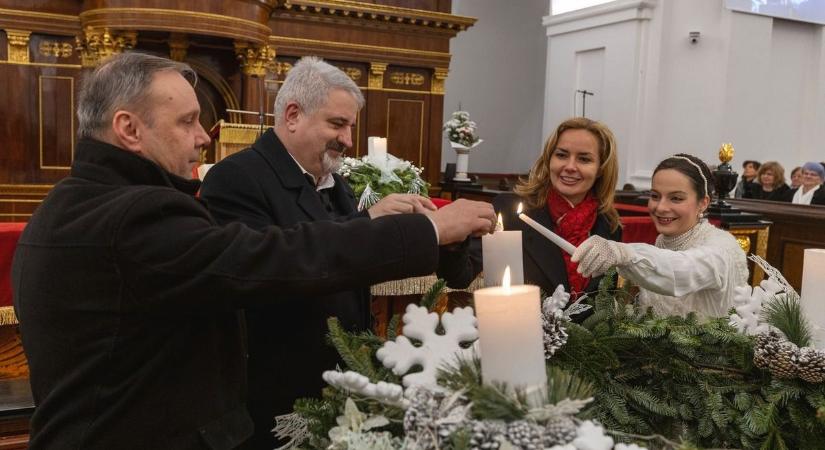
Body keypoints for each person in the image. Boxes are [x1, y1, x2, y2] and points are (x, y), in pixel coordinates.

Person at [11, 52, 496, 450]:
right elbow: (272, 258)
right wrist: (427, 228)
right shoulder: (136, 216)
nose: (204, 136)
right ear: (129, 130)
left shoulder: (72, 202)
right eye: (188, 121)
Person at [200, 57, 463, 449]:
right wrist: (372, 221)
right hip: (274, 397)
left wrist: (437, 239)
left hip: (336, 390)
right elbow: (277, 267)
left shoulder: (335, 184)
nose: (348, 139)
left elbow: (356, 262)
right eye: (337, 124)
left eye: (351, 126)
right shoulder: (237, 178)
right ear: (292, 115)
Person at [439, 117, 622, 301]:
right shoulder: (509, 211)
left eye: (584, 159)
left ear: (600, 169)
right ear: (549, 159)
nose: (570, 166)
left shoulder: (609, 226)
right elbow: (458, 278)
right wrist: (455, 241)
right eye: (561, 155)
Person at [572, 154, 749, 319]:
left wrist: (625, 253)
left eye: (676, 198)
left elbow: (682, 270)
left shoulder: (722, 247)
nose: (661, 207)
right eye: (655, 196)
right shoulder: (662, 243)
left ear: (703, 203)